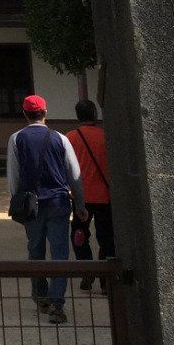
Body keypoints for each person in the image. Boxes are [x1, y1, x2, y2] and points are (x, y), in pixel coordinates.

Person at [7, 93, 86, 325]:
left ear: (24, 113)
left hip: (31, 204)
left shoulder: (16, 139)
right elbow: (75, 174)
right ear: (45, 113)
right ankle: (57, 304)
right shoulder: (60, 138)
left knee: (35, 250)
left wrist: (15, 200)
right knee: (60, 253)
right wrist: (80, 204)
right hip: (59, 202)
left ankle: (40, 297)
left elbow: (13, 175)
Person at [68, 99, 113, 291]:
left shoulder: (70, 138)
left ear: (77, 116)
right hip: (105, 196)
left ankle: (87, 268)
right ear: (95, 114)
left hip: (81, 198)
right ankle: (105, 279)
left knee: (79, 234)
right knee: (107, 237)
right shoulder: (106, 137)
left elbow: (66, 168)